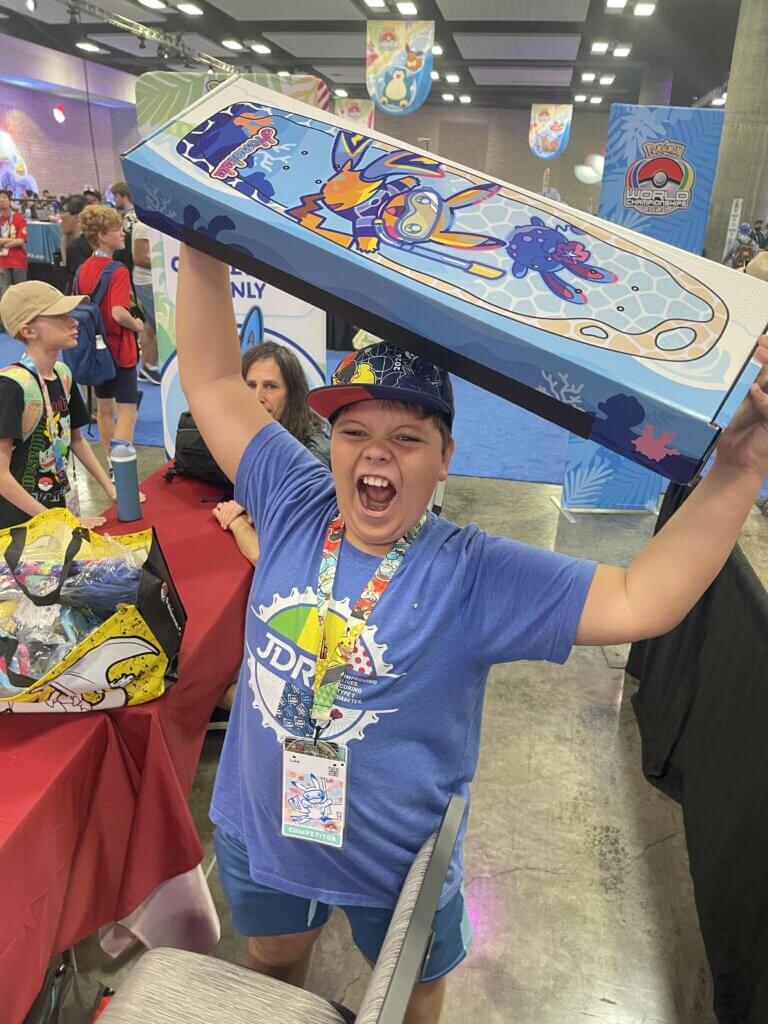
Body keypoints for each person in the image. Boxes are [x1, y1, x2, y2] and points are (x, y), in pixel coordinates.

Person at [176, 244, 768, 1024]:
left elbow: (637, 599)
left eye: (408, 439)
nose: (376, 453)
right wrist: (197, 232)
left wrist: (742, 463)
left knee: (411, 1003)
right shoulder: (291, 495)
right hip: (264, 833)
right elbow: (215, 379)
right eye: (354, 432)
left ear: (447, 457)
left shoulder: (473, 573)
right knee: (272, 962)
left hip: (397, 868)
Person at [0, 281, 115, 529]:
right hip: (18, 524)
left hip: (55, 509)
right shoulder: (11, 387)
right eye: (60, 316)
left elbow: (76, 440)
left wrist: (111, 489)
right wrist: (58, 522)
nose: (73, 321)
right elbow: (1, 477)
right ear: (29, 331)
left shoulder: (63, 374)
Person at [76, 205, 143, 462]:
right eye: (117, 229)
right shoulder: (118, 270)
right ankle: (122, 468)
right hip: (120, 349)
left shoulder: (83, 268)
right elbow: (118, 312)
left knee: (104, 409)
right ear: (103, 235)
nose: (123, 233)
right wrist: (136, 324)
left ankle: (110, 463)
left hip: (94, 349)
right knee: (127, 409)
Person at [0, 189, 28, 306]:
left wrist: (2, 242)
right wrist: (13, 240)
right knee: (4, 293)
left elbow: (21, 241)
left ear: (10, 200)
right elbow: (17, 240)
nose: (1, 200)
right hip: (2, 261)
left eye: (4, 197)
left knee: (20, 292)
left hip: (18, 260)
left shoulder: (19, 218)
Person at [59, 195, 92, 288]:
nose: (61, 216)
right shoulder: (75, 243)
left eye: (64, 211)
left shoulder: (79, 247)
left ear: (78, 217)